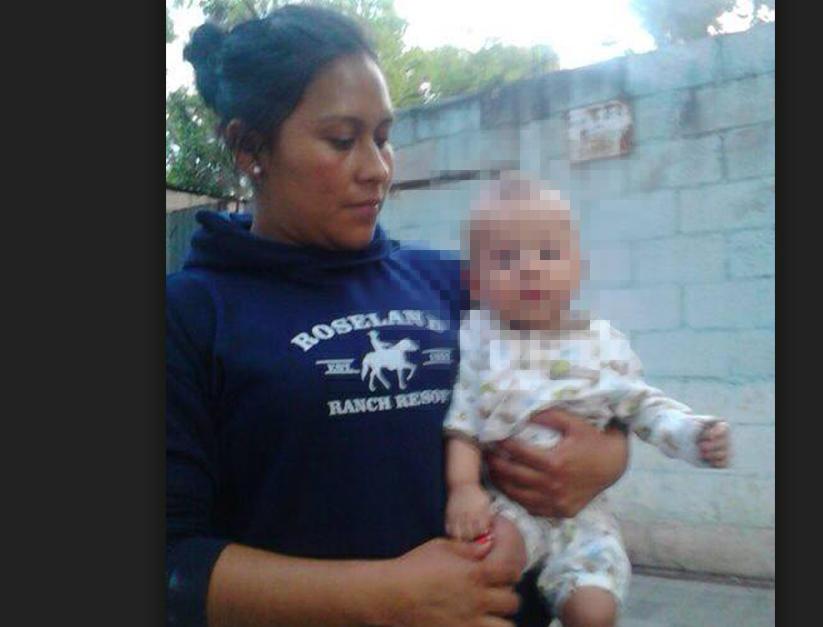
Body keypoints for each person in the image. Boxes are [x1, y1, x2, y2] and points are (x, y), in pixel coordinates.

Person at [167, 5, 638, 626]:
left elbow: (577, 385)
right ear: (249, 148)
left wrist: (609, 456)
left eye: (383, 137)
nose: (377, 168)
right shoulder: (191, 315)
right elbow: (173, 563)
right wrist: (386, 599)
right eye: (342, 140)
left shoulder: (453, 283)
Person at [442, 176, 732, 627]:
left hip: (583, 514)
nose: (530, 269)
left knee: (594, 612)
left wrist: (694, 434)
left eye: (548, 254)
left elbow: (642, 406)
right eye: (505, 258)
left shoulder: (601, 345)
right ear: (474, 282)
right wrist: (464, 488)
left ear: (578, 267)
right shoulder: (481, 342)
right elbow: (463, 426)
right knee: (487, 566)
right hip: (508, 506)